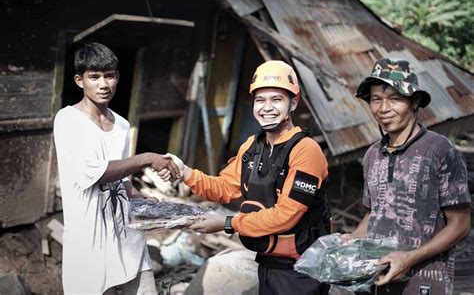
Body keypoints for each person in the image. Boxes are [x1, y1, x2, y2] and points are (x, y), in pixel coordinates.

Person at [161, 60, 332, 295]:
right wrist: (185, 172)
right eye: (260, 100)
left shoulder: (306, 150)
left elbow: (287, 215)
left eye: (277, 100)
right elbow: (224, 188)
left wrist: (227, 223)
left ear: (293, 103)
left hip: (302, 270)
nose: (267, 107)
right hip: (268, 263)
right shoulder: (253, 146)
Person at [53, 42, 179, 294]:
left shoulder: (121, 125)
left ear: (117, 78)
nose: (103, 84)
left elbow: (122, 179)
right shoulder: (68, 120)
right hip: (88, 241)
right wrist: (145, 158)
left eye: (109, 76)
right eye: (94, 77)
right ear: (79, 81)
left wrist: (142, 199)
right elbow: (98, 172)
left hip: (127, 235)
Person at [343, 58, 471, 294]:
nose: (383, 109)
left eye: (394, 99)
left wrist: (409, 258)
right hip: (376, 280)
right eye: (376, 99)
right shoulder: (372, 155)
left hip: (424, 283)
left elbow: (461, 224)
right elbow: (375, 213)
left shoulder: (440, 150)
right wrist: (354, 238)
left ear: (415, 101)